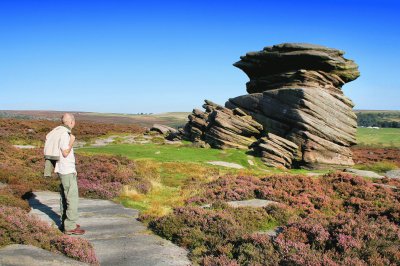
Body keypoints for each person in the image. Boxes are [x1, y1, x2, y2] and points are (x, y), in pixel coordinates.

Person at [55, 113, 85, 235]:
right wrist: (72, 140)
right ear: (72, 122)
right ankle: (70, 226)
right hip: (66, 171)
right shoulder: (65, 134)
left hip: (65, 170)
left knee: (65, 196)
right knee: (71, 198)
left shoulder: (61, 132)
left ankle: (65, 222)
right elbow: (65, 153)